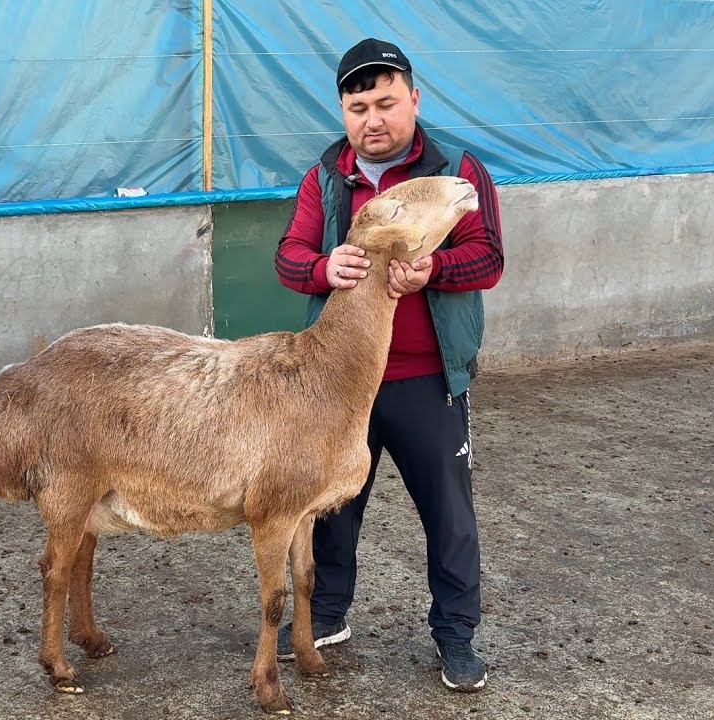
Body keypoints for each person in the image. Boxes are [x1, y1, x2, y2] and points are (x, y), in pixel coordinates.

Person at [273, 37, 503, 692]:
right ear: (342, 111)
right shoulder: (326, 176)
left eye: (386, 103)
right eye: (357, 106)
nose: (373, 120)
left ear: (413, 99)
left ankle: (455, 636)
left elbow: (488, 257)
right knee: (332, 507)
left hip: (427, 381)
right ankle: (327, 616)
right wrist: (322, 267)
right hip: (342, 388)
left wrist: (433, 269)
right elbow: (287, 256)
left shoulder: (453, 171)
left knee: (448, 513)